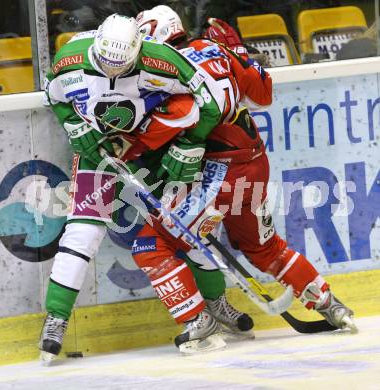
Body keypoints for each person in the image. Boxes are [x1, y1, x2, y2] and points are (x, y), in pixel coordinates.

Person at [131, 4, 357, 348]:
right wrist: (240, 53)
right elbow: (263, 95)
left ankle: (199, 322)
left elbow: (165, 129)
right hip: (253, 164)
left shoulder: (164, 72)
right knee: (265, 249)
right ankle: (331, 305)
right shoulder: (217, 49)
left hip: (219, 175)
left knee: (150, 244)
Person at [40, 13, 252, 363]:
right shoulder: (71, 59)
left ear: (137, 52)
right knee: (82, 234)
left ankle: (216, 304)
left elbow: (210, 101)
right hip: (98, 154)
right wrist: (74, 125)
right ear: (96, 48)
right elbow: (53, 93)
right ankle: (56, 319)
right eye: (105, 64)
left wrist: (192, 142)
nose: (111, 72)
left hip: (153, 149)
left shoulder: (161, 58)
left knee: (188, 225)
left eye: (120, 67)